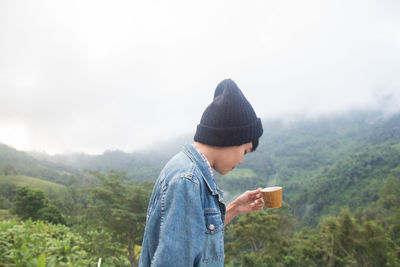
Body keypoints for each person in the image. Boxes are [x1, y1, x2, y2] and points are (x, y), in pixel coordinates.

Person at [139, 79, 264, 267]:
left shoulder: (189, 170)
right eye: (244, 151)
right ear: (233, 138)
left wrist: (236, 207)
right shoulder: (187, 180)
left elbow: (196, 236)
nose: (241, 161)